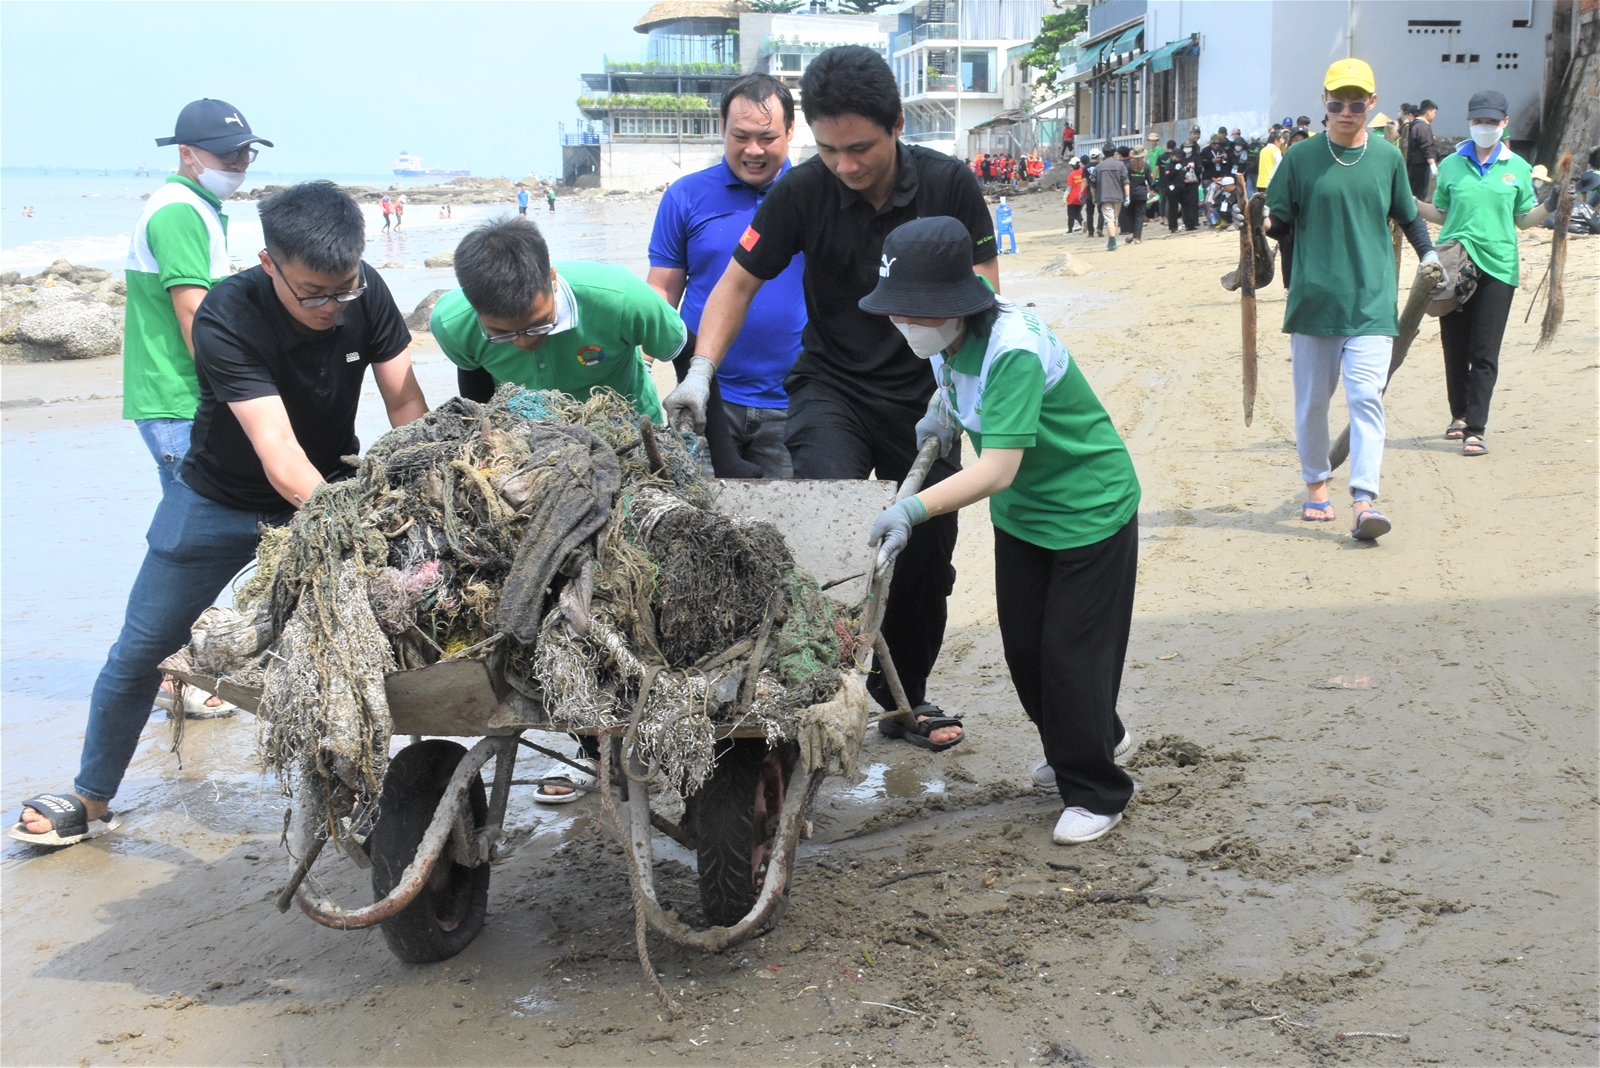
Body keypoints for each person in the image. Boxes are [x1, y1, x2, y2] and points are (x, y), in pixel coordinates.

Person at [11, 182, 429, 847]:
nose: (330, 306)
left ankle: (355, 786)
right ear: (269, 264)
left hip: (329, 485)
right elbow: (277, 449)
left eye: (342, 289)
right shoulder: (227, 314)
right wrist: (346, 524)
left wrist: (422, 491)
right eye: (311, 293)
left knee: (349, 642)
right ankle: (91, 798)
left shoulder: (366, 292)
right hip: (217, 499)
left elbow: (406, 406)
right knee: (141, 649)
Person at [662, 45, 999, 749]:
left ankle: (904, 701)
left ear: (897, 125)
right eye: (828, 149)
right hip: (830, 386)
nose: (844, 165)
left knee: (925, 560)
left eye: (860, 148)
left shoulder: (949, 185)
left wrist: (959, 389)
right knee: (828, 533)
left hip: (926, 393)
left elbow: (985, 293)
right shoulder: (802, 190)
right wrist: (701, 370)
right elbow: (737, 283)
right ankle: (811, 691)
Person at [860, 217, 1140, 843]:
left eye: (911, 310)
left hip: (1088, 511)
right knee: (1026, 653)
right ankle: (1095, 737)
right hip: (1024, 517)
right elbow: (957, 387)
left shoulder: (1012, 348)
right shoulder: (952, 336)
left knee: (1071, 659)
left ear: (952, 302)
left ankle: (1097, 790)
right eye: (895, 308)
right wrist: (939, 413)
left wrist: (912, 510)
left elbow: (996, 470)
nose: (901, 322)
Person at [1264, 58, 1440, 541]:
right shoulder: (1301, 158)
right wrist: (1259, 225)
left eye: (1356, 104)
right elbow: (1279, 221)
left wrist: (1428, 255)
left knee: (1366, 399)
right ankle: (1317, 485)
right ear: (1324, 101)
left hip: (1371, 303)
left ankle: (1364, 500)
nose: (1346, 112)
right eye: (1338, 103)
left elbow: (1408, 215)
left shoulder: (1387, 158)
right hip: (1314, 303)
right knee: (1312, 405)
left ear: (1372, 104)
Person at [647, 72, 806, 478]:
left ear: (791, 130)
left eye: (767, 138)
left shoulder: (814, 194)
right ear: (722, 127)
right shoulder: (685, 195)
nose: (753, 150)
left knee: (791, 513)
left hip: (794, 401)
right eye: (740, 136)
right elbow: (662, 292)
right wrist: (640, 368)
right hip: (704, 398)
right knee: (702, 513)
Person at [127, 98, 270, 493]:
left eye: (245, 153)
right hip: (181, 397)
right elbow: (193, 311)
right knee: (197, 518)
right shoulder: (179, 211)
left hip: (185, 394)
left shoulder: (198, 205)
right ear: (186, 153)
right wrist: (230, 391)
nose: (238, 164)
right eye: (227, 154)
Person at [1414, 90, 1559, 456]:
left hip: (1499, 266)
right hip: (1455, 262)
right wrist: (1411, 204)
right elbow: (1442, 214)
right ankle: (1459, 414)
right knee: (1454, 347)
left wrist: (1551, 205)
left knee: (1484, 351)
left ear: (1504, 123)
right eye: (1479, 121)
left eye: (1492, 121)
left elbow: (1522, 220)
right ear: (1470, 121)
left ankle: (1475, 429)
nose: (1484, 127)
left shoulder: (1518, 167)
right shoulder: (1451, 164)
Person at [431, 217, 682, 424]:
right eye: (502, 334)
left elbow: (681, 347)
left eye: (538, 325)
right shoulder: (451, 324)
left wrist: (690, 391)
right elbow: (476, 386)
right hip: (525, 434)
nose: (523, 342)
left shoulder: (621, 297)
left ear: (552, 279)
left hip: (629, 425)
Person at [1407, 99, 1439, 200]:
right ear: (1428, 112)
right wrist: (1432, 164)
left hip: (1414, 165)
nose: (1434, 115)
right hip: (1419, 166)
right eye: (1434, 112)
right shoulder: (1422, 126)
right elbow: (1427, 146)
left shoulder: (1415, 124)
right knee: (1419, 194)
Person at [1171, 136, 1204, 231]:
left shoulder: (1196, 158)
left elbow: (1199, 169)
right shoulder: (1181, 158)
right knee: (1185, 204)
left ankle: (1194, 222)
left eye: (1189, 147)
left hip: (1193, 183)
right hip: (1183, 184)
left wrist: (1192, 170)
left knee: (1193, 203)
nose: (1187, 149)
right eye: (1185, 147)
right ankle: (1186, 222)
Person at [1122, 147, 1149, 243]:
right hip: (1142, 194)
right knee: (1139, 216)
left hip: (1130, 193)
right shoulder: (1146, 166)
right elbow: (1150, 181)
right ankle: (1137, 238)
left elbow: (1125, 180)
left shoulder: (1128, 166)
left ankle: (1131, 233)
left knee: (1130, 214)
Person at [1063, 156, 1087, 233]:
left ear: (1072, 166)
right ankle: (1082, 223)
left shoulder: (1071, 174)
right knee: (1077, 212)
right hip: (1082, 196)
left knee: (1071, 214)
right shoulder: (1083, 172)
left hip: (1072, 197)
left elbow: (1069, 187)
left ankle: (1070, 230)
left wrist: (1065, 196)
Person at [1082, 149, 1099, 238]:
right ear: (1098, 156)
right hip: (1100, 191)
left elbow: (1084, 181)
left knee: (1089, 212)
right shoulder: (1101, 165)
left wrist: (1081, 192)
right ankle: (1100, 227)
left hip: (1089, 191)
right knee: (1102, 211)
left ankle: (1091, 232)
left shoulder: (1086, 167)